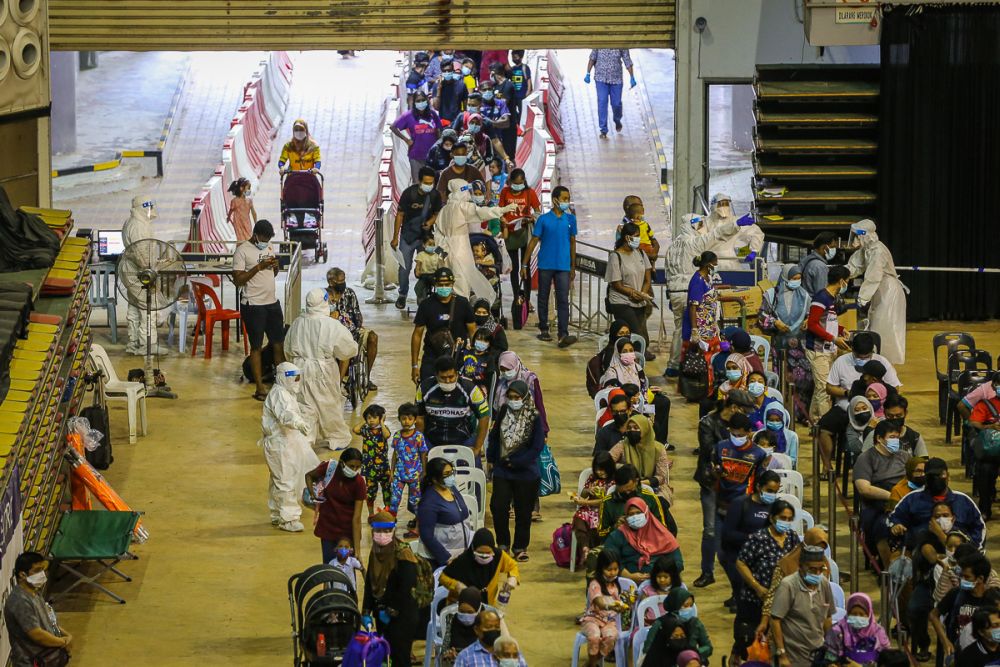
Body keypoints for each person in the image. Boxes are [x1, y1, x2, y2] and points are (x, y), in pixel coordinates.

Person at [664, 212, 743, 374]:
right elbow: (717, 234)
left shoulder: (672, 246)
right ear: (692, 225)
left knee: (679, 329)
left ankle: (674, 365)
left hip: (674, 291)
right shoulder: (693, 243)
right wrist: (737, 224)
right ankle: (691, 366)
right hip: (690, 292)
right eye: (699, 224)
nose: (701, 228)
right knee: (692, 331)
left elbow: (667, 271)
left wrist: (669, 293)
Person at [693, 390, 754, 588]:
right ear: (734, 407)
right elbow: (710, 451)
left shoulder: (741, 428)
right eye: (745, 411)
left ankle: (738, 581)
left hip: (738, 485)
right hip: (713, 482)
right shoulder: (708, 423)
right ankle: (707, 571)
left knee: (737, 533)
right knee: (710, 530)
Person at [816, 331, 902, 470]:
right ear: (852, 350)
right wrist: (847, 393)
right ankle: (828, 467)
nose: (861, 359)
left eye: (866, 357)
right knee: (824, 427)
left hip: (878, 411)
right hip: (846, 408)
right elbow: (829, 387)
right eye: (858, 356)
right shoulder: (842, 362)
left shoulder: (882, 363)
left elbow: (895, 388)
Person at [285, 287, 358, 449]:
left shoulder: (297, 323)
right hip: (323, 370)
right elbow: (348, 349)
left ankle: (305, 438)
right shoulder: (331, 325)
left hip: (300, 368)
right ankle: (337, 437)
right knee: (328, 404)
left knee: (304, 405)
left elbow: (287, 349)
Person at [734, 500, 802, 659]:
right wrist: (756, 586)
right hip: (756, 600)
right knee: (754, 647)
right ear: (772, 518)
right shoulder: (758, 538)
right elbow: (741, 562)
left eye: (789, 519)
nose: (785, 522)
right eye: (782, 517)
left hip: (783, 602)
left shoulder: (792, 538)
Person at [260, 362, 320, 533]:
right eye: (295, 378)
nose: (297, 381)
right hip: (279, 444)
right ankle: (288, 518)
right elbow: (285, 414)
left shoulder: (285, 392)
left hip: (286, 442)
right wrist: (298, 423)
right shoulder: (279, 394)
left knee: (278, 479)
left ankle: (277, 513)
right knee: (285, 480)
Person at [487, 381, 544, 560]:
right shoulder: (503, 411)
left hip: (525, 471)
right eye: (510, 397)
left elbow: (537, 446)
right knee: (498, 507)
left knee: (523, 511)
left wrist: (517, 462)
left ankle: (520, 547)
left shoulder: (534, 416)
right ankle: (502, 544)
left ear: (525, 397)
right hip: (503, 470)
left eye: (517, 397)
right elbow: (495, 436)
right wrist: (491, 458)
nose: (513, 401)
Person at [436, 179, 516, 301]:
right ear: (463, 191)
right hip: (460, 250)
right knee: (461, 283)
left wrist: (441, 249)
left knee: (448, 284)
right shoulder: (462, 207)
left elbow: (437, 233)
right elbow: (482, 212)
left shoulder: (444, 210)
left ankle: (450, 314)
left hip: (446, 253)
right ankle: (460, 315)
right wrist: (502, 210)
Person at [519, 185, 577, 346]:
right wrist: (524, 265)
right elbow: (533, 241)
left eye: (568, 198)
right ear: (555, 200)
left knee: (563, 299)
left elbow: (573, 243)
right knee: (543, 297)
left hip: (564, 266)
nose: (567, 201)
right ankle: (544, 329)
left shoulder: (571, 220)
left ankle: (563, 333)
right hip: (545, 264)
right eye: (564, 198)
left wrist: (573, 266)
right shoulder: (543, 220)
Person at [233, 219, 285, 401]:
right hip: (253, 304)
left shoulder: (269, 246)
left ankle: (281, 383)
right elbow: (238, 280)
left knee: (278, 343)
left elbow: (272, 274)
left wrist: (275, 267)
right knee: (256, 346)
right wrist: (258, 267)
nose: (266, 242)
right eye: (263, 238)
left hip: (272, 302)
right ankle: (260, 388)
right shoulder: (242, 251)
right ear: (255, 235)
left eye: (268, 239)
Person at [889, 457, 985, 550]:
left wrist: (973, 550)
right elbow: (893, 518)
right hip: (921, 555)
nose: (936, 479)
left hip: (959, 557)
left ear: (948, 475)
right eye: (931, 476)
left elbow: (979, 528)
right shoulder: (912, 499)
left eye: (940, 475)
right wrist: (896, 526)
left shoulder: (963, 501)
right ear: (925, 478)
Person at [363, 511, 420, 667]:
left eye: (387, 531)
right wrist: (366, 610)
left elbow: (406, 589)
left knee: (400, 657)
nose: (383, 535)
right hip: (381, 614)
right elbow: (370, 582)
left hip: (402, 618)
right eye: (379, 531)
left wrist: (390, 611)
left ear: (393, 531)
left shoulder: (404, 554)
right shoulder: (375, 552)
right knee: (385, 658)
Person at [847, 219, 908, 364]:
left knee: (885, 327)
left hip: (888, 292)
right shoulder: (867, 250)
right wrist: (843, 273)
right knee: (875, 324)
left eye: (858, 235)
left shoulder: (878, 251)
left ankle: (886, 362)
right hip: (878, 291)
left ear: (866, 235)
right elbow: (855, 265)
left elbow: (873, 276)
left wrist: (862, 298)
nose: (856, 238)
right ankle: (876, 359)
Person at [854, 420, 910, 565]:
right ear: (879, 438)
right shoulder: (866, 458)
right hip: (879, 503)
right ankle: (887, 568)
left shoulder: (904, 456)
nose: (895, 441)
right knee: (882, 526)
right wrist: (891, 496)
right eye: (892, 437)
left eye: (897, 437)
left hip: (904, 499)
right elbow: (863, 488)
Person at [769, 546, 835, 667]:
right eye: (812, 569)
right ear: (800, 567)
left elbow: (827, 618)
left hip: (817, 655)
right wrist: (782, 654)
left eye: (821, 569)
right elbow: (775, 620)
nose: (817, 573)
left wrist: (830, 650)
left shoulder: (824, 583)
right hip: (793, 657)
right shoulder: (788, 585)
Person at [410, 267, 477, 384]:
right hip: (432, 356)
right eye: (441, 284)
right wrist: (415, 365)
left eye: (447, 284)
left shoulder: (463, 303)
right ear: (435, 284)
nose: (444, 287)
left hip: (457, 357)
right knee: (425, 390)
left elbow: (472, 331)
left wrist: (475, 357)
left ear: (452, 284)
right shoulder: (426, 305)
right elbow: (417, 335)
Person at [4, 552, 71, 667]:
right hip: (31, 662)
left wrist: (66, 635)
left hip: (46, 658)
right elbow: (37, 635)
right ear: (22, 575)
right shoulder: (20, 601)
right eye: (37, 570)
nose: (42, 574)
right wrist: (63, 642)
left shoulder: (35, 593)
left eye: (43, 570)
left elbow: (48, 622)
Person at [804, 264, 852, 421]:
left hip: (828, 349)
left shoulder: (830, 299)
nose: (848, 284)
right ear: (841, 281)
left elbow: (826, 321)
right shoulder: (821, 298)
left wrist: (840, 330)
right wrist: (833, 339)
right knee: (824, 389)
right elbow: (812, 324)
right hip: (818, 351)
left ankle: (815, 421)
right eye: (847, 281)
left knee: (821, 389)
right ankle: (824, 426)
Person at [392, 166, 444, 309]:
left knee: (427, 267)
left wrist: (430, 223)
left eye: (431, 183)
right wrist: (395, 237)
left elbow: (437, 213)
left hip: (426, 238)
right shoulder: (409, 194)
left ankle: (423, 295)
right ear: (419, 181)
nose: (429, 186)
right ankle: (402, 294)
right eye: (426, 183)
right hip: (408, 237)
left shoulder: (434, 195)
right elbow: (400, 215)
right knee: (404, 268)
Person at [931, 554, 1000, 659]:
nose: (962, 580)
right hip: (959, 653)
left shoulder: (994, 600)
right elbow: (933, 615)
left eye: (967, 577)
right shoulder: (955, 594)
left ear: (980, 578)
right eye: (962, 576)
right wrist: (945, 641)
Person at [416, 355, 490, 453]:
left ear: (457, 374)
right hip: (432, 441)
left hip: (464, 440)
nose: (447, 381)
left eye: (451, 377)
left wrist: (477, 447)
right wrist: (419, 446)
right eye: (443, 378)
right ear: (436, 375)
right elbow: (419, 418)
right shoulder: (424, 388)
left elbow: (484, 417)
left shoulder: (471, 389)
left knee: (474, 465)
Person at [304, 447, 366, 562]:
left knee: (346, 569)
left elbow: (356, 518)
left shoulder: (359, 483)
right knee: (328, 568)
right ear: (342, 463)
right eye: (351, 466)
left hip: (346, 535)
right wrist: (312, 494)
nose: (354, 470)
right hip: (327, 529)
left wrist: (357, 550)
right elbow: (309, 476)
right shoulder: (329, 468)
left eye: (358, 467)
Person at [722, 470, 782, 586]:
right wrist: (753, 538)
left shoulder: (776, 507)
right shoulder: (740, 504)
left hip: (767, 561)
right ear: (759, 486)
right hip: (742, 558)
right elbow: (728, 534)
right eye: (769, 491)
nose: (772, 495)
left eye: (775, 492)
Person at [602, 497, 682, 581]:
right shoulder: (618, 535)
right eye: (631, 514)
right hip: (626, 582)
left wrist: (659, 575)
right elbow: (608, 558)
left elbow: (678, 563)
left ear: (646, 513)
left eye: (638, 513)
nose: (635, 517)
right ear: (626, 516)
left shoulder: (663, 535)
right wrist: (629, 576)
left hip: (660, 581)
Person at [326, 267, 379, 389]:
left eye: (344, 280)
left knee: (372, 337)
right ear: (331, 282)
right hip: (333, 335)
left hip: (351, 331)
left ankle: (366, 378)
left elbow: (358, 317)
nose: (343, 284)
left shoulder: (349, 293)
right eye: (340, 281)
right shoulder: (324, 296)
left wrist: (355, 325)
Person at [441, 528, 520, 607]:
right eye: (480, 552)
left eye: (488, 553)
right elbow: (443, 577)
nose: (484, 556)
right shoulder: (463, 560)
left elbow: (512, 566)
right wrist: (456, 585)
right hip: (463, 605)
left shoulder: (499, 556)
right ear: (473, 549)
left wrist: (513, 577)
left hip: (488, 604)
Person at [416, 457, 473, 568]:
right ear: (434, 479)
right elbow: (426, 535)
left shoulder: (452, 489)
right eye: (446, 474)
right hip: (440, 561)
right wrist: (446, 558)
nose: (451, 477)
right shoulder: (429, 502)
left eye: (451, 472)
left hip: (459, 556)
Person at [606, 221, 654, 350]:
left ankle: (638, 357)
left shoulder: (641, 253)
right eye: (636, 236)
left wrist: (642, 293)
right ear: (627, 237)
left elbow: (647, 278)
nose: (639, 239)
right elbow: (617, 284)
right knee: (636, 335)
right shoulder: (615, 256)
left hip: (639, 301)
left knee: (643, 337)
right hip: (622, 301)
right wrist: (633, 293)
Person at [609, 415, 672, 512]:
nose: (632, 431)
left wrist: (639, 483)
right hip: (627, 485)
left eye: (636, 428)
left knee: (659, 506)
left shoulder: (658, 448)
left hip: (654, 486)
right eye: (629, 428)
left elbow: (661, 477)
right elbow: (607, 462)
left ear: (645, 429)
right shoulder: (623, 445)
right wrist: (622, 468)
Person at [121, 195, 158, 356]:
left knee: (135, 307)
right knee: (147, 308)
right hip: (139, 272)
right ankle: (147, 344)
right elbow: (140, 252)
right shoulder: (138, 226)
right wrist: (150, 272)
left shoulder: (134, 222)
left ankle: (133, 342)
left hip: (132, 271)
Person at [498, 168, 541, 306]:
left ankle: (527, 300)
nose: (517, 186)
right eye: (515, 183)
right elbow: (500, 210)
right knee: (514, 267)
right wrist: (503, 219)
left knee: (525, 266)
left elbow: (538, 212)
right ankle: (517, 296)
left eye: (520, 183)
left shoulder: (530, 193)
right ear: (510, 182)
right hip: (510, 233)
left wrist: (530, 219)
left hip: (524, 233)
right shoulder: (505, 192)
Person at [581, 549, 628, 666]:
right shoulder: (595, 584)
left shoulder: (616, 585)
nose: (612, 573)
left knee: (611, 637)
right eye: (609, 570)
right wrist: (610, 605)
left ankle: (591, 662)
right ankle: (592, 664)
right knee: (594, 637)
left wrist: (623, 606)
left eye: (615, 569)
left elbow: (620, 602)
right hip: (593, 619)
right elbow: (599, 602)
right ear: (601, 568)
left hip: (609, 622)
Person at [598, 464, 669, 539]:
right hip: (619, 543)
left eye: (629, 490)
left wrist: (645, 525)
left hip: (646, 542)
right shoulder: (608, 502)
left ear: (636, 481)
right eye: (622, 492)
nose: (627, 494)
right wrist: (615, 527)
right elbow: (601, 533)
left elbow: (662, 528)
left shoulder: (650, 498)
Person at [644, 589, 713, 664]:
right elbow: (648, 649)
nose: (689, 609)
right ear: (675, 604)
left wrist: (692, 653)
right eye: (685, 605)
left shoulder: (695, 624)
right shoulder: (660, 623)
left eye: (691, 605)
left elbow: (708, 647)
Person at [571, 451, 616, 564]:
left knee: (595, 525)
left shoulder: (613, 481)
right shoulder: (592, 478)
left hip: (603, 511)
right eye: (598, 469)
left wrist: (586, 502)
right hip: (589, 510)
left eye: (603, 469)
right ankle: (585, 549)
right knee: (579, 519)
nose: (600, 472)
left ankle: (595, 553)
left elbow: (606, 501)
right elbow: (584, 494)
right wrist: (588, 490)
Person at [388, 402, 428, 527]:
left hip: (415, 474)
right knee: (394, 499)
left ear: (415, 420)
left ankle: (417, 523)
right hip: (399, 474)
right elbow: (395, 454)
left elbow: (423, 455)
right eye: (404, 418)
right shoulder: (397, 436)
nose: (406, 421)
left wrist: (424, 472)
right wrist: (391, 471)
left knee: (415, 501)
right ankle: (391, 521)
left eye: (410, 419)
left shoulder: (418, 437)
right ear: (399, 418)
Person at [823, 592, 891, 665]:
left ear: (869, 615)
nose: (858, 617)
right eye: (854, 614)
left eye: (862, 614)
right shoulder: (837, 631)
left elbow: (887, 657)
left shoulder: (878, 631)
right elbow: (829, 658)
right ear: (848, 613)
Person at [704, 193, 765, 271]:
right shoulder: (706, 223)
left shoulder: (736, 221)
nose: (724, 207)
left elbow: (757, 232)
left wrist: (754, 250)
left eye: (726, 204)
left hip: (730, 262)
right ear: (714, 206)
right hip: (709, 262)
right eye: (721, 204)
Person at [584, 49, 635, 138]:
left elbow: (627, 60)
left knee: (616, 104)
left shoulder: (621, 42)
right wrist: (588, 73)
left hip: (616, 79)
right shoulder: (600, 40)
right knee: (602, 102)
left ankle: (617, 120)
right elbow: (592, 57)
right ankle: (603, 130)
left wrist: (632, 77)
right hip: (601, 78)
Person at [392, 90, 442, 178]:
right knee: (417, 183)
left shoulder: (432, 114)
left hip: (432, 156)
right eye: (418, 101)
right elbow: (393, 127)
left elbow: (439, 130)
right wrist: (406, 140)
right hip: (416, 156)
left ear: (426, 100)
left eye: (423, 100)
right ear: (414, 102)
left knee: (432, 181)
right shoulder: (408, 116)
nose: (421, 103)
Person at [684, 251, 722, 366]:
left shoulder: (707, 278)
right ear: (708, 265)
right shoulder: (698, 281)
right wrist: (695, 330)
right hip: (701, 328)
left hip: (709, 325)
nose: (716, 266)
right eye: (715, 263)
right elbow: (693, 306)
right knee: (702, 359)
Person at [967, 388, 1000, 519]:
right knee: (985, 469)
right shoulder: (985, 404)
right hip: (991, 450)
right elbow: (973, 422)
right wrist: (989, 426)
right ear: (994, 386)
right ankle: (985, 509)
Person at [354, 404, 392, 516]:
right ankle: (371, 514)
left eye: (374, 417)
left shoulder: (383, 430)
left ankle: (388, 512)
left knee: (387, 490)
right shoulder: (365, 429)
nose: (371, 420)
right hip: (369, 467)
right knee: (370, 492)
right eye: (369, 418)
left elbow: (387, 435)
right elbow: (355, 430)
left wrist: (382, 423)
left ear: (380, 418)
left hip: (383, 467)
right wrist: (364, 421)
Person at [863, 394, 929, 457]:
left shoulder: (914, 437)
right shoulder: (874, 435)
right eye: (890, 416)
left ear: (906, 413)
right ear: (885, 414)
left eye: (898, 415)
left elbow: (923, 461)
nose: (894, 419)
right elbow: (863, 460)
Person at [766, 264, 810, 349]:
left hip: (799, 344)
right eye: (794, 279)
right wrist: (774, 322)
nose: (797, 281)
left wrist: (808, 320)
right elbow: (762, 315)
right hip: (777, 341)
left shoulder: (804, 296)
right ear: (785, 277)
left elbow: (811, 313)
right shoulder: (772, 294)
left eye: (799, 279)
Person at [586, 320, 633, 397]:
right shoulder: (609, 356)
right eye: (621, 333)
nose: (625, 336)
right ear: (614, 335)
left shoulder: (628, 352)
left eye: (628, 333)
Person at [797, 231, 839, 297]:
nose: (834, 250)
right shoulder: (820, 266)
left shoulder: (807, 260)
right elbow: (822, 295)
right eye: (832, 247)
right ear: (824, 247)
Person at [226, 177, 256, 242]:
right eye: (248, 188)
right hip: (238, 223)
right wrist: (228, 218)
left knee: (248, 237)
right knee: (241, 239)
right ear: (241, 188)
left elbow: (253, 212)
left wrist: (256, 222)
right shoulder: (234, 201)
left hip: (247, 222)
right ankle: (241, 250)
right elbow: (231, 210)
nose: (249, 190)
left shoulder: (249, 201)